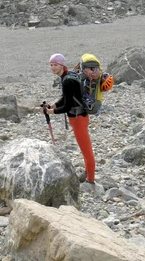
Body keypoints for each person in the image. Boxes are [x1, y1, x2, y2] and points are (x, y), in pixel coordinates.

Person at [42, 53, 113, 184]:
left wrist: (50, 111)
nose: (52, 67)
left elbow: (67, 106)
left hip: (78, 118)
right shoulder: (68, 77)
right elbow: (66, 98)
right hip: (78, 117)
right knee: (84, 148)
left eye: (55, 65)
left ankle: (90, 180)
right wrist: (53, 105)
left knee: (86, 150)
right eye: (51, 65)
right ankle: (87, 172)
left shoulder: (68, 80)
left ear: (62, 65)